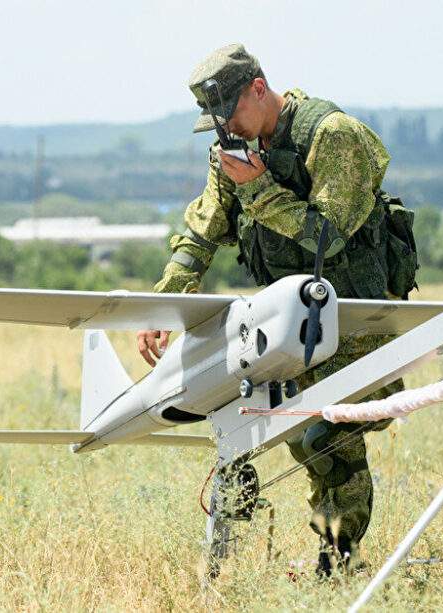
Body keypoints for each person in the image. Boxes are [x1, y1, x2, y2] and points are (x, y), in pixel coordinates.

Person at [136, 43, 417, 576]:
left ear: (259, 89)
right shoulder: (232, 148)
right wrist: (165, 301)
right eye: (216, 121)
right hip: (287, 329)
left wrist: (258, 188)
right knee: (254, 430)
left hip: (356, 325)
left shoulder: (333, 136)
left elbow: (326, 238)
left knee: (327, 437)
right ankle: (254, 566)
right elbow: (202, 230)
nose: (227, 129)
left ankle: (337, 566)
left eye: (231, 113)